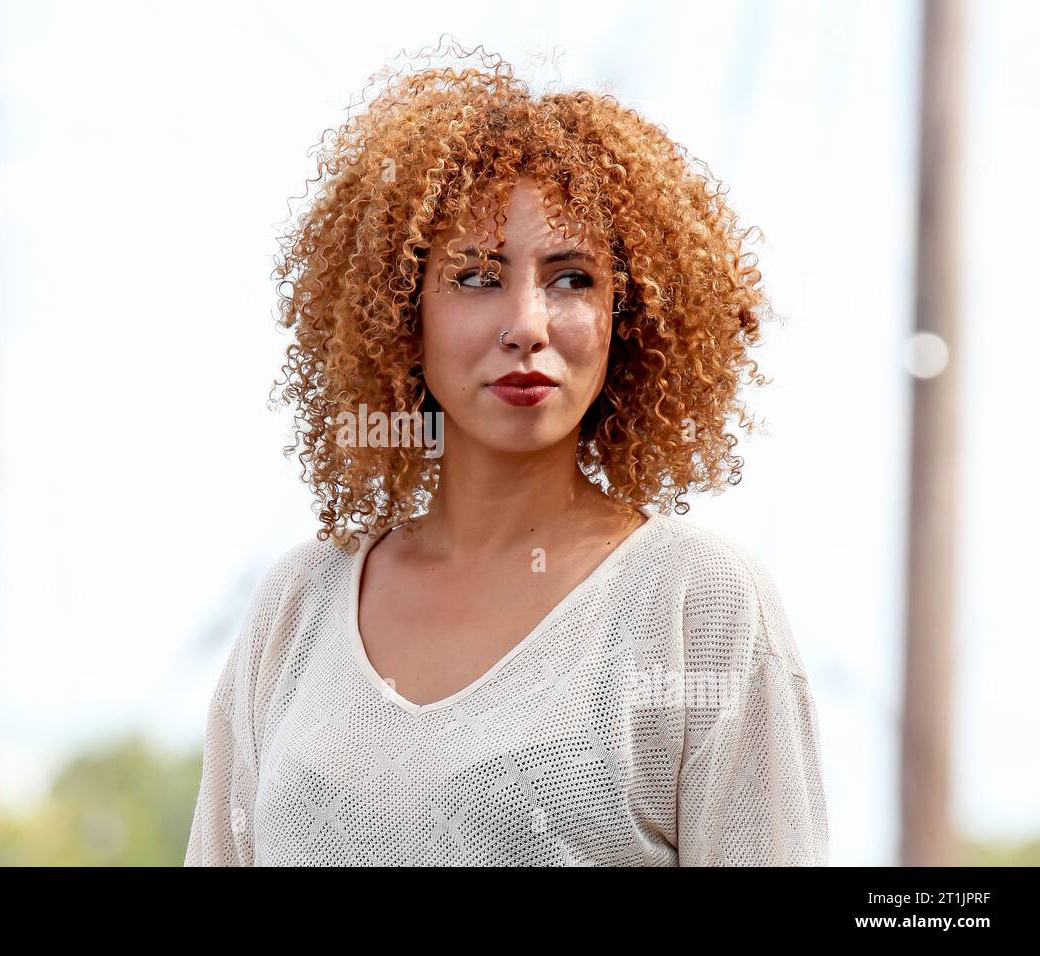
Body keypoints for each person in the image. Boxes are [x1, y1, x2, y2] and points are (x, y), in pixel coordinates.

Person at [184, 45, 828, 866]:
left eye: (572, 279)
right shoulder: (301, 604)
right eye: (477, 277)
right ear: (399, 313)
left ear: (628, 320)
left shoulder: (696, 605)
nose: (527, 321)